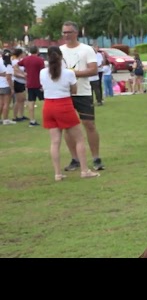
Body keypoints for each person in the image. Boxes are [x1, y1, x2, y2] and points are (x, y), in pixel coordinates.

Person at [39, 46, 100, 181]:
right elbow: (74, 90)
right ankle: (84, 170)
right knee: (79, 138)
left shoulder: (43, 72)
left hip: (48, 106)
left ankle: (57, 173)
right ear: (61, 57)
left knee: (55, 142)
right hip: (64, 104)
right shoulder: (68, 73)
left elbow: (43, 87)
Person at [60, 21, 105, 172]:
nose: (66, 35)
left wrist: (72, 73)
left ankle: (96, 158)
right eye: (64, 32)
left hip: (83, 92)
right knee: (68, 128)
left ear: (76, 33)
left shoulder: (86, 50)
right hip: (65, 93)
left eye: (69, 32)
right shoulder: (59, 50)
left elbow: (93, 70)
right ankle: (75, 159)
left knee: (89, 125)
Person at [17, 45, 46, 127]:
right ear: (37, 51)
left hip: (30, 84)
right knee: (45, 101)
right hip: (38, 83)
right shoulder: (40, 60)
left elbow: (16, 65)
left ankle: (32, 120)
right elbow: (43, 72)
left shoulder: (26, 59)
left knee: (31, 102)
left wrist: (23, 73)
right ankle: (47, 118)